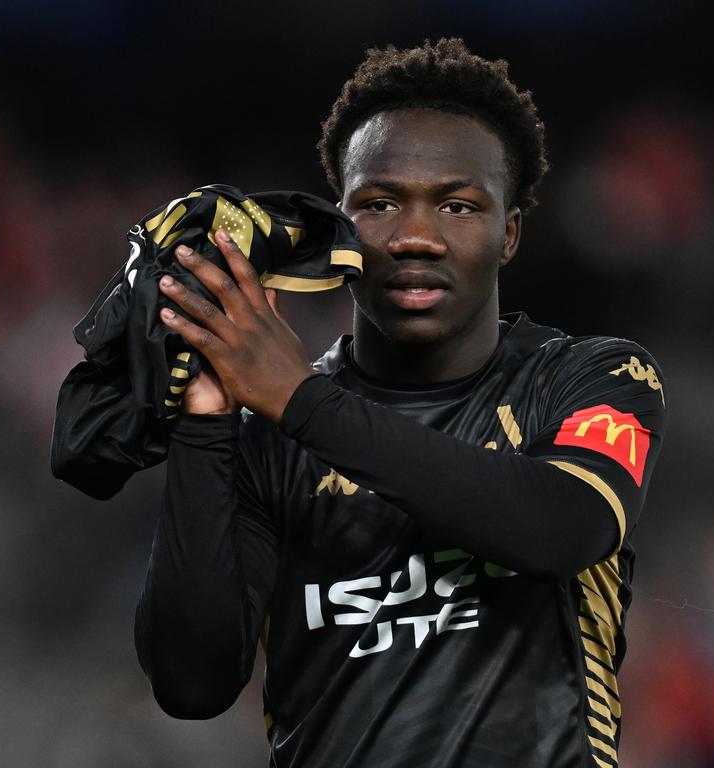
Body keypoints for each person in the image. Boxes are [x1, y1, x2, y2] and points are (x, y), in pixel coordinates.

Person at [135, 38, 666, 768]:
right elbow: (191, 683)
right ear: (339, 231)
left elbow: (560, 528)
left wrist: (302, 402)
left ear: (508, 231)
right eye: (380, 204)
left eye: (457, 204)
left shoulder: (591, 378)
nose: (417, 236)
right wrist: (203, 424)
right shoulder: (266, 433)